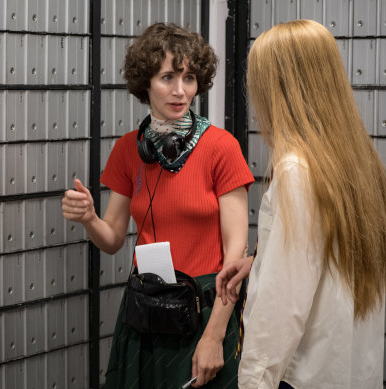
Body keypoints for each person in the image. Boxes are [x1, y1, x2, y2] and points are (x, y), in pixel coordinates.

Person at [62, 23, 254, 388]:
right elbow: (113, 239)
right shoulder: (127, 150)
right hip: (147, 308)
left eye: (190, 78)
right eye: (168, 77)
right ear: (145, 82)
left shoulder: (221, 147)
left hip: (207, 310)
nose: (180, 91)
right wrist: (89, 218)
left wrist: (214, 336)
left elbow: (237, 252)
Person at [216, 19, 386, 389]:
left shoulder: (296, 169)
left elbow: (282, 306)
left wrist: (253, 382)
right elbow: (325, 261)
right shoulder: (359, 160)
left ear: (278, 90)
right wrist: (262, 262)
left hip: (302, 374)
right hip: (351, 368)